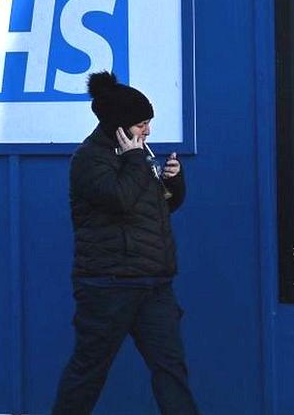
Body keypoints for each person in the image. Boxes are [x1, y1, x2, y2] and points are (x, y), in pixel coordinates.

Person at [52, 71, 198, 414]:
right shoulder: (89, 159)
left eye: (149, 122)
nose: (147, 130)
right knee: (89, 370)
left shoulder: (138, 155)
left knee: (171, 369)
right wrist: (136, 161)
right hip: (108, 286)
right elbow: (118, 199)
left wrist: (170, 183)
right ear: (119, 124)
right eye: (141, 123)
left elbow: (157, 208)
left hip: (153, 284)